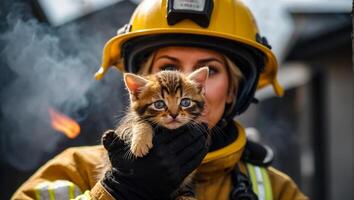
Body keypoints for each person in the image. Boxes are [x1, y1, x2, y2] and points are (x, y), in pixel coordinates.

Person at [12, 0, 308, 199]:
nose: (186, 85)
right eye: (168, 67)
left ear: (235, 91)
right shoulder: (76, 169)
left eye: (210, 70)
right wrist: (118, 191)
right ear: (140, 85)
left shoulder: (275, 189)